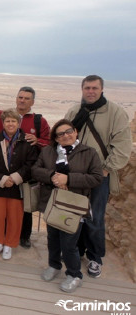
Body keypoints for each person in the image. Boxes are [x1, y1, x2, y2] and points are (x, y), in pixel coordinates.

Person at [65, 75, 131, 278]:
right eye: (87, 88)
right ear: (82, 89)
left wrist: (104, 169)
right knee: (74, 215)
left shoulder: (115, 113)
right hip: (75, 175)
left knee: (94, 218)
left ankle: (95, 257)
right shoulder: (75, 111)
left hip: (98, 177)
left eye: (94, 88)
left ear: (102, 89)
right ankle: (74, 251)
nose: (90, 91)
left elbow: (122, 147)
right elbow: (63, 137)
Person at [0, 86, 50, 248]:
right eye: (20, 97)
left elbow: (49, 143)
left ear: (32, 102)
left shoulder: (39, 121)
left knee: (25, 204)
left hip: (26, 171)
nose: (22, 100)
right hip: (2, 171)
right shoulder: (3, 115)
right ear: (16, 98)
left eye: (26, 98)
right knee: (1, 204)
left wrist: (38, 141)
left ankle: (24, 235)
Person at [32, 119, 103, 293]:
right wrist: (53, 177)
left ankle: (74, 274)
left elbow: (96, 178)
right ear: (55, 138)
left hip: (73, 204)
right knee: (53, 238)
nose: (65, 136)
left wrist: (69, 179)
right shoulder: (48, 151)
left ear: (76, 131)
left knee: (69, 243)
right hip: (53, 202)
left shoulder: (89, 152)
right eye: (60, 134)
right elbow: (35, 170)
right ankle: (54, 265)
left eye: (68, 131)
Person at [0, 109, 38, 261]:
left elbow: (31, 163)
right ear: (3, 123)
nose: (10, 124)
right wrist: (2, 178)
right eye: (7, 121)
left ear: (19, 123)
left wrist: (14, 178)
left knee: (15, 217)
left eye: (13, 121)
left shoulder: (27, 141)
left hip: (17, 186)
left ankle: (9, 244)